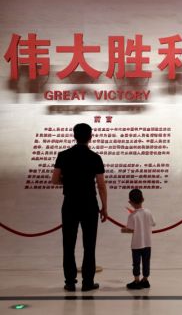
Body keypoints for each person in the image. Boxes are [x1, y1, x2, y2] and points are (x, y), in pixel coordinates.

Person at [52, 123, 108, 292]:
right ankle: (88, 282)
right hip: (90, 204)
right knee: (89, 245)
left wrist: (68, 182)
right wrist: (104, 207)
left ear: (74, 136)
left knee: (68, 244)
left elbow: (54, 180)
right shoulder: (95, 157)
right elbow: (101, 184)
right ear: (90, 136)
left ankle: (70, 282)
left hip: (69, 204)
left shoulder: (63, 155)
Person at [121, 189, 156, 290]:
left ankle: (136, 281)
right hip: (148, 243)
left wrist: (123, 230)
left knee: (136, 263)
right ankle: (145, 280)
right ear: (143, 199)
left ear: (130, 202)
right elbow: (153, 223)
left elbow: (131, 230)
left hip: (137, 244)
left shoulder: (132, 216)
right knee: (146, 261)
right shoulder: (148, 212)